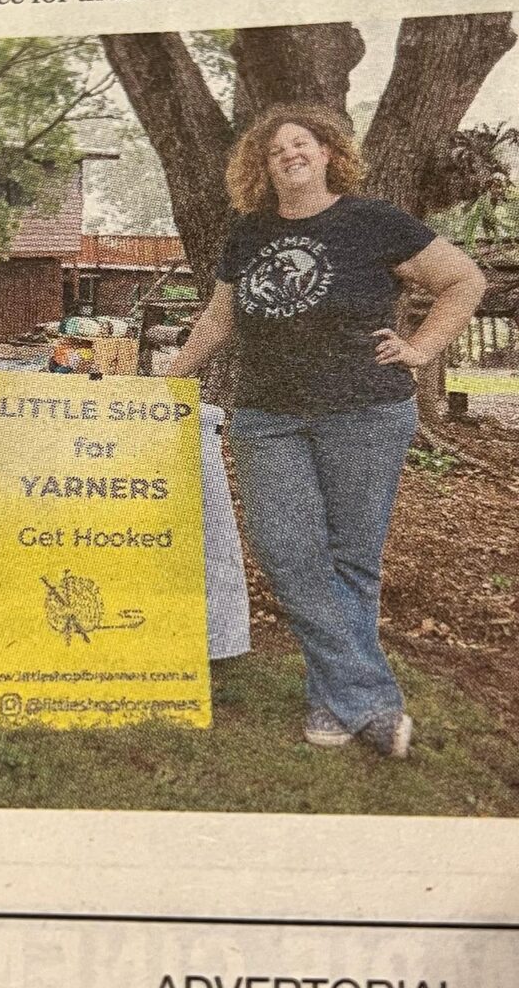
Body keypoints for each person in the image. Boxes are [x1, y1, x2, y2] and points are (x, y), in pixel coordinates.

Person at [167, 103, 486, 759]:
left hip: (365, 411)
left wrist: (422, 348)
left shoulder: (372, 221)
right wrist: (167, 376)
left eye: (301, 142)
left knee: (350, 561)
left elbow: (463, 279)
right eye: (275, 149)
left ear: (328, 153)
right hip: (268, 416)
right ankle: (371, 700)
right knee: (287, 553)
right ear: (262, 167)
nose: (289, 154)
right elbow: (217, 322)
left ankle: (331, 700)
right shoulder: (248, 233)